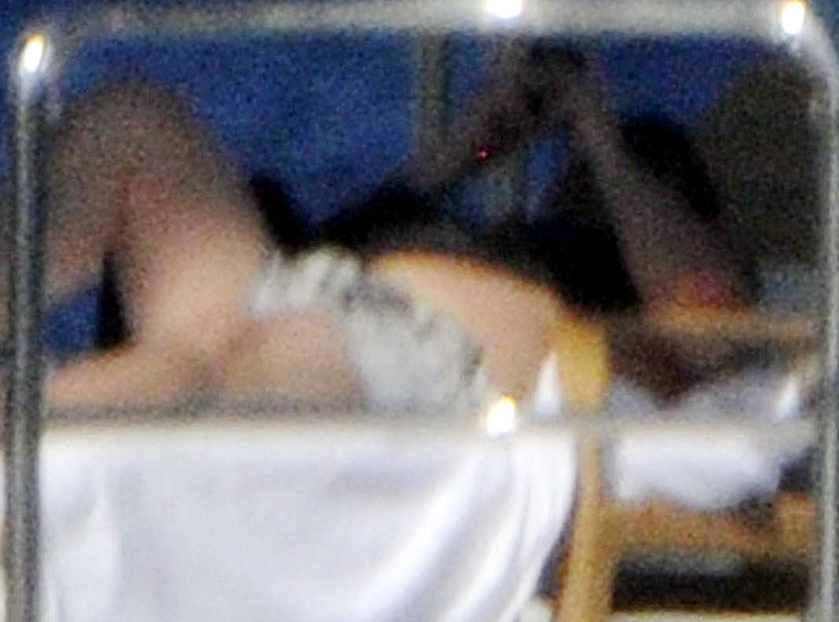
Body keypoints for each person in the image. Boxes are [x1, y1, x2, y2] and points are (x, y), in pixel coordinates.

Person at [31, 43, 756, 420]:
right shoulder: (506, 239)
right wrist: (458, 159)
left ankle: (31, 424)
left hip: (419, 357)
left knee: (226, 366)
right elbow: (332, 253)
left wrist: (601, 136)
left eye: (654, 173)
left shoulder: (650, 306)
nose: (588, 182)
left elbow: (709, 330)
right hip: (320, 291)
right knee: (130, 122)